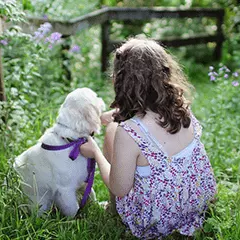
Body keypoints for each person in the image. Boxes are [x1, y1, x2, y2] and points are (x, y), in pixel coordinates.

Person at [80, 38, 217, 239]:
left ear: (121, 80)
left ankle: (113, 208)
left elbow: (120, 188)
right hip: (197, 203)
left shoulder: (129, 132)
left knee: (111, 130)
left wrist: (96, 154)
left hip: (156, 220)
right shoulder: (183, 110)